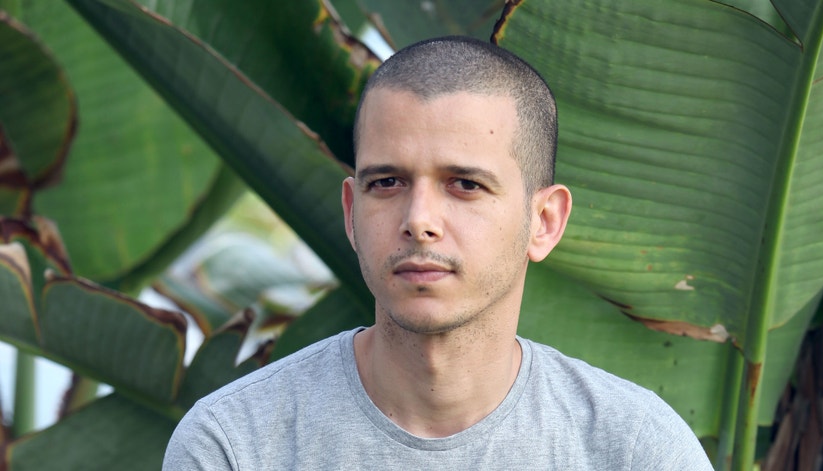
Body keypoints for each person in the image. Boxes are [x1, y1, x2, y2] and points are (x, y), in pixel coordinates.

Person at [163, 36, 713, 470]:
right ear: (351, 213)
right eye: (387, 183)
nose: (419, 220)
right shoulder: (237, 445)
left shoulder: (635, 450)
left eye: (465, 185)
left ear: (544, 222)